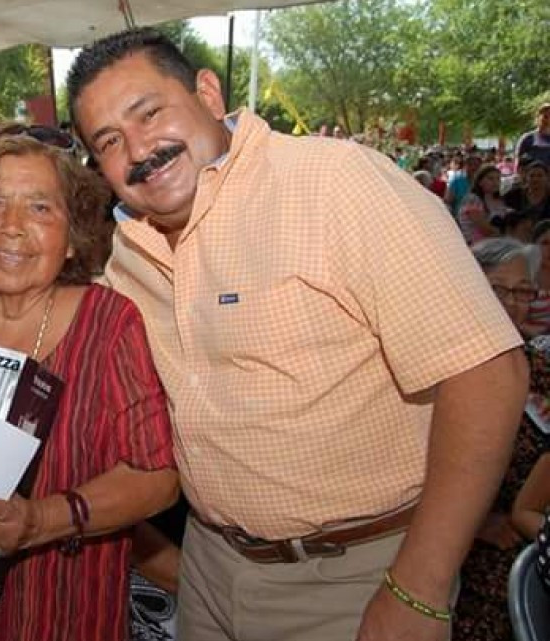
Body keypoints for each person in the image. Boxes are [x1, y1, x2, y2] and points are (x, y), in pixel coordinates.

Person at [67, 27, 528, 641]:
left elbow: (488, 374)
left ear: (207, 92)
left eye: (149, 113)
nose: (139, 150)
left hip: (357, 579)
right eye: (110, 142)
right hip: (210, 569)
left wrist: (419, 587)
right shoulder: (126, 252)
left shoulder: (336, 184)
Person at [0, 129, 178, 641]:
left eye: (41, 208)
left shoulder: (109, 324)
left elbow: (156, 476)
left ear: (72, 240)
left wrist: (39, 521)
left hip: (61, 607)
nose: (13, 228)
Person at [443, 238, 548, 640]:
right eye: (498, 289)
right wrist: (474, 521)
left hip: (531, 544)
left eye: (522, 291)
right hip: (460, 547)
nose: (512, 302)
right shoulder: (445, 370)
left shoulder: (539, 369)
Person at [458, 164, 511, 244]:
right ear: (480, 182)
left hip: (494, 242)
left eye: (498, 179)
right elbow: (485, 228)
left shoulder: (499, 201)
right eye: (490, 179)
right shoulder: (472, 199)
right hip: (475, 245)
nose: (495, 182)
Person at [516, 103, 550, 170]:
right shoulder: (528, 138)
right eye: (545, 116)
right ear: (538, 117)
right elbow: (519, 163)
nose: (548, 120)